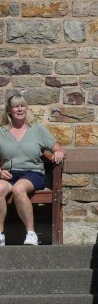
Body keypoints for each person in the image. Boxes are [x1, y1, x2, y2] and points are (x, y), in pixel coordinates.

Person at [0, 91, 64, 246]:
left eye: (22, 106)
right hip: (9, 174)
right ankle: (0, 234)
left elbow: (57, 148)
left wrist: (59, 152)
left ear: (26, 109)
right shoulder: (1, 132)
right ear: (9, 110)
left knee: (18, 189)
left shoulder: (38, 130)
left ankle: (31, 233)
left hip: (33, 174)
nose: (20, 109)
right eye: (16, 107)